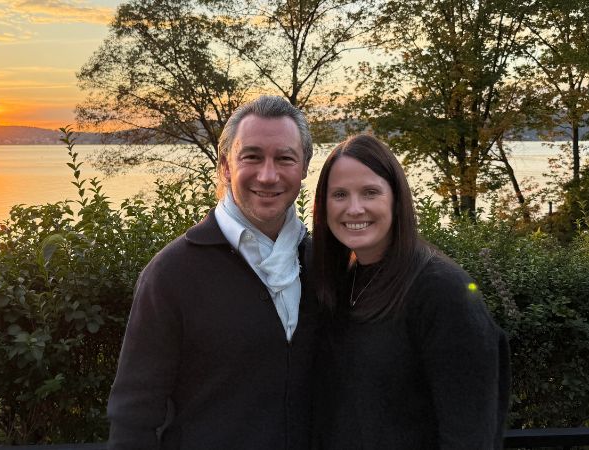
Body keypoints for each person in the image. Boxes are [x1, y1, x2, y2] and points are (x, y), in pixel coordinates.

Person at [107, 95, 319, 450]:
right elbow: (133, 416)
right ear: (225, 166)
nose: (268, 175)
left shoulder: (320, 264)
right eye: (252, 157)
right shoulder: (172, 274)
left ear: (304, 168)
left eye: (285, 158)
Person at [311, 134, 510, 449]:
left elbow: (470, 434)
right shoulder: (341, 281)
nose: (354, 208)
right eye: (339, 195)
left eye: (370, 192)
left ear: (396, 198)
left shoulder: (443, 292)